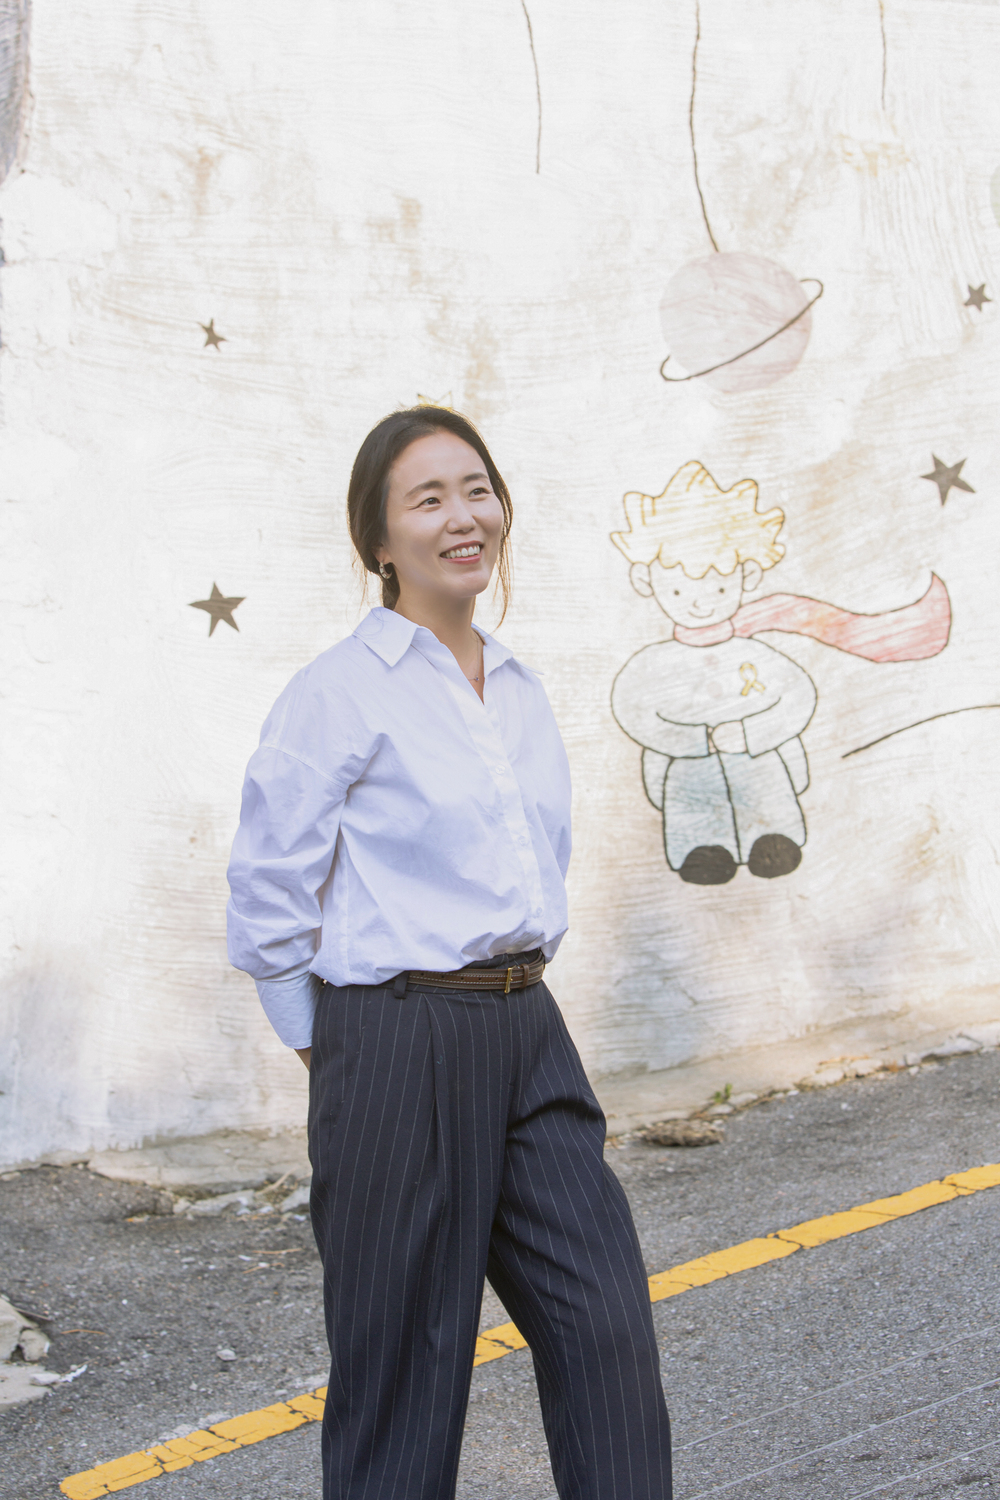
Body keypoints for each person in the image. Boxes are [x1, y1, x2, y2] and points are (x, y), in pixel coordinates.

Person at [227, 407, 674, 1500]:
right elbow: (269, 885)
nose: (463, 517)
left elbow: (536, 863)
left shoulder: (516, 685)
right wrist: (333, 1049)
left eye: (477, 489)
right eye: (427, 499)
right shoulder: (337, 692)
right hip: (397, 1036)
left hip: (529, 1028)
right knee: (405, 1380)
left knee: (606, 1328)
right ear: (378, 542)